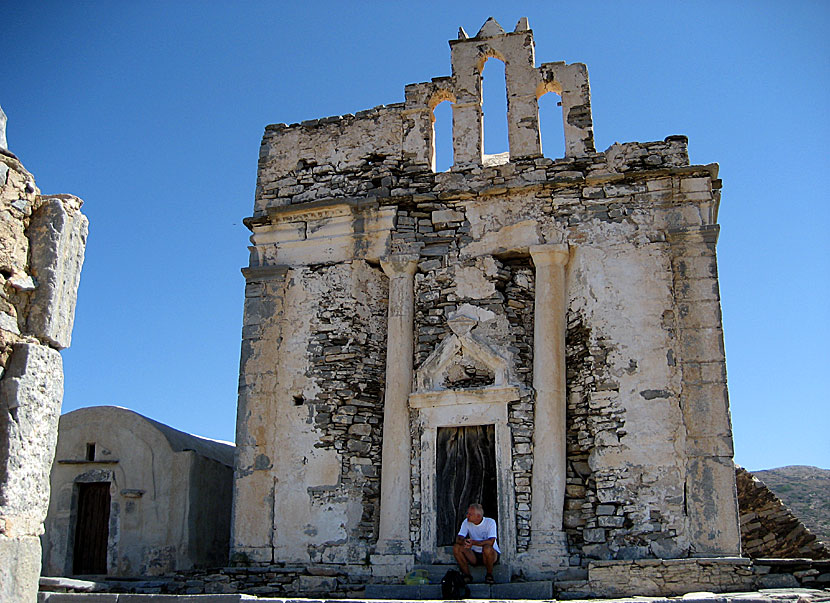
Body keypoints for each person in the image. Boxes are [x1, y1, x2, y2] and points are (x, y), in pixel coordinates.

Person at [452, 503, 500, 585]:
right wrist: (464, 541)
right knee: (456, 547)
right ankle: (467, 575)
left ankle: (489, 575)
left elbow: (491, 541)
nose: (467, 516)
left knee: (487, 548)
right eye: (468, 513)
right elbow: (459, 538)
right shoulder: (466, 522)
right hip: (474, 554)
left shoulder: (490, 522)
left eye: (470, 514)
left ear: (478, 516)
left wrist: (474, 543)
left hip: (490, 555)